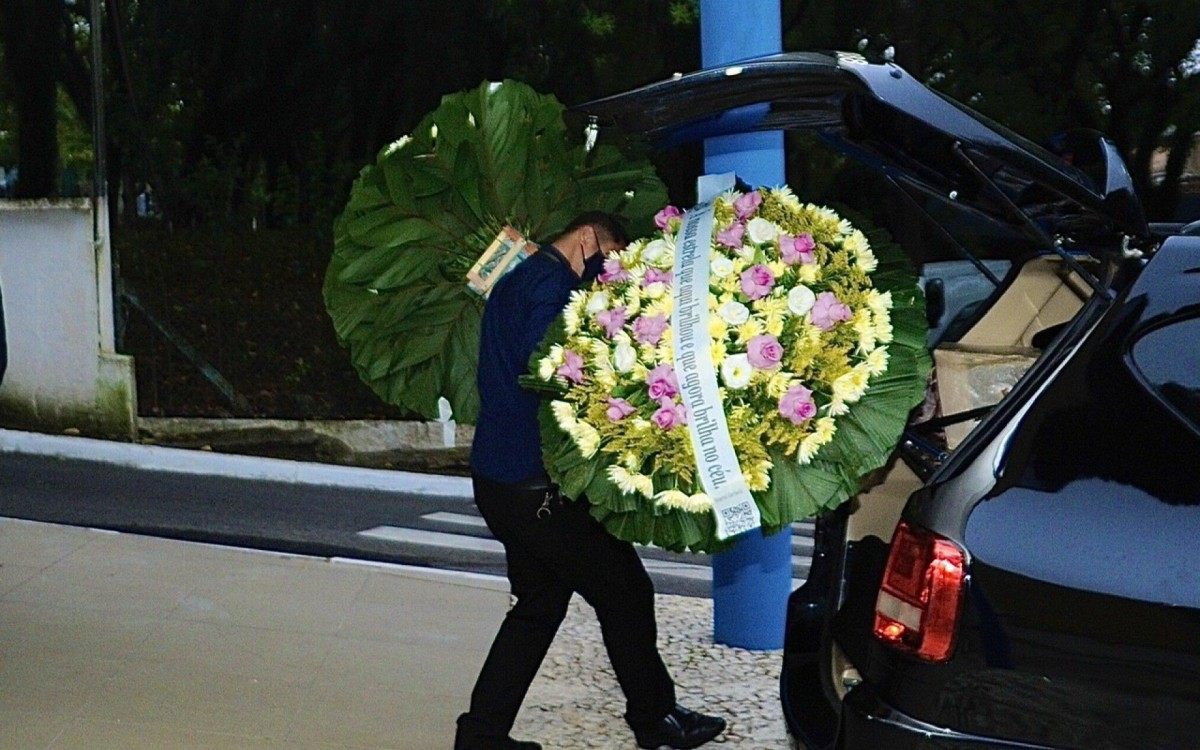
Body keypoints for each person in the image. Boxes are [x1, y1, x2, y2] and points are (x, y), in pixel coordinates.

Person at [456, 212, 727, 750]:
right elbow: (556, 372)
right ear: (586, 239)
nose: (609, 272)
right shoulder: (553, 288)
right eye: (610, 256)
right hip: (535, 488)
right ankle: (654, 721)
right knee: (625, 591)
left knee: (538, 606)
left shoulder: (518, 277)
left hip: (499, 479)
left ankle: (481, 737)